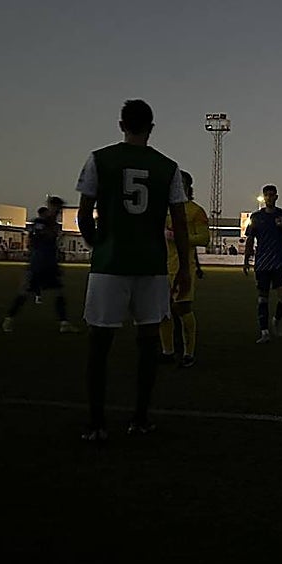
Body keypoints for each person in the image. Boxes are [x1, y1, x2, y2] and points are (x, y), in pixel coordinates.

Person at [75, 99, 190, 442]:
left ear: (121, 124)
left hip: (110, 265)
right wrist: (184, 267)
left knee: (100, 344)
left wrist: (100, 243)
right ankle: (140, 418)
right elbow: (180, 223)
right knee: (148, 343)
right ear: (151, 127)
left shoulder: (99, 158)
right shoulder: (167, 167)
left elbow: (84, 213)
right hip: (152, 265)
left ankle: (96, 424)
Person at [2, 197, 80, 334]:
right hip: (38, 263)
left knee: (59, 293)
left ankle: (64, 323)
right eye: (57, 208)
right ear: (51, 207)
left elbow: (51, 243)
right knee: (24, 293)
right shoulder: (40, 222)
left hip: (50, 263)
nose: (59, 211)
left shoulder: (54, 225)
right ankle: (8, 319)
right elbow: (37, 238)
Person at [159, 171, 210, 368]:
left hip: (182, 267)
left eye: (181, 183)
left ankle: (189, 353)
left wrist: (179, 237)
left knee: (182, 309)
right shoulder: (163, 209)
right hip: (160, 267)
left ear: (189, 187)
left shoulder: (195, 211)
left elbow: (204, 238)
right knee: (163, 310)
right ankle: (167, 351)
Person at [243, 184, 282, 344]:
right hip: (262, 263)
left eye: (272, 195)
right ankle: (264, 332)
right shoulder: (256, 217)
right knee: (262, 298)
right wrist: (246, 260)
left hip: (280, 262)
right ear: (264, 197)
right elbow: (250, 239)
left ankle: (276, 320)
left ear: (276, 197)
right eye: (267, 195)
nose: (269, 198)